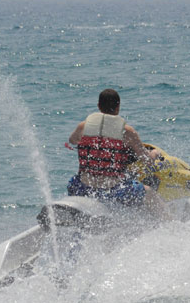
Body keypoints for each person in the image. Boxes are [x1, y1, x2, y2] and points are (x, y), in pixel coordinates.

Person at [67, 88, 167, 218]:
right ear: (118, 107)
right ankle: (170, 224)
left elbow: (72, 140)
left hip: (83, 188)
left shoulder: (83, 127)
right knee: (149, 192)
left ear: (98, 106)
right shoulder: (127, 132)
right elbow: (146, 160)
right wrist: (154, 153)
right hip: (113, 191)